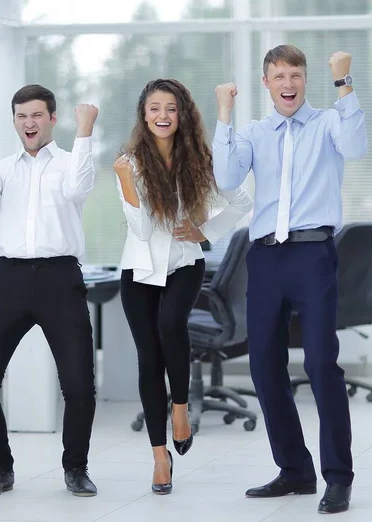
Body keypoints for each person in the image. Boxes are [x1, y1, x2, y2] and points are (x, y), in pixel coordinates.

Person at [213, 45, 367, 514]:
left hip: (313, 255)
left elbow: (357, 147)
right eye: (279, 75)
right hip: (264, 260)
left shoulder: (328, 123)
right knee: (263, 368)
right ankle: (295, 470)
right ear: (267, 83)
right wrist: (224, 111)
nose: (288, 83)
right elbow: (224, 176)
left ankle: (337, 477)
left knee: (322, 365)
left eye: (295, 74)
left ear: (305, 79)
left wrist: (345, 83)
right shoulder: (256, 132)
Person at [0, 84, 100, 498]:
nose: (29, 123)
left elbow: (78, 190)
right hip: (8, 281)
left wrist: (86, 130)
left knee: (77, 386)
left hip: (60, 279)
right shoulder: (2, 169)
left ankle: (76, 467)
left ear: (53, 119)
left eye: (37, 115)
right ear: (15, 121)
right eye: (22, 116)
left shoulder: (73, 163)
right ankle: (0, 468)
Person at [114, 79, 252, 495]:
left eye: (170, 108)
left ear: (182, 114)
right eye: (154, 108)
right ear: (143, 114)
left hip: (183, 263)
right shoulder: (131, 163)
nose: (162, 116)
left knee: (172, 324)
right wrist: (124, 182)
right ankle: (160, 456)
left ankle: (180, 408)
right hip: (138, 270)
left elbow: (242, 203)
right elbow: (139, 229)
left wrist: (203, 231)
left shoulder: (201, 160)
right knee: (148, 358)